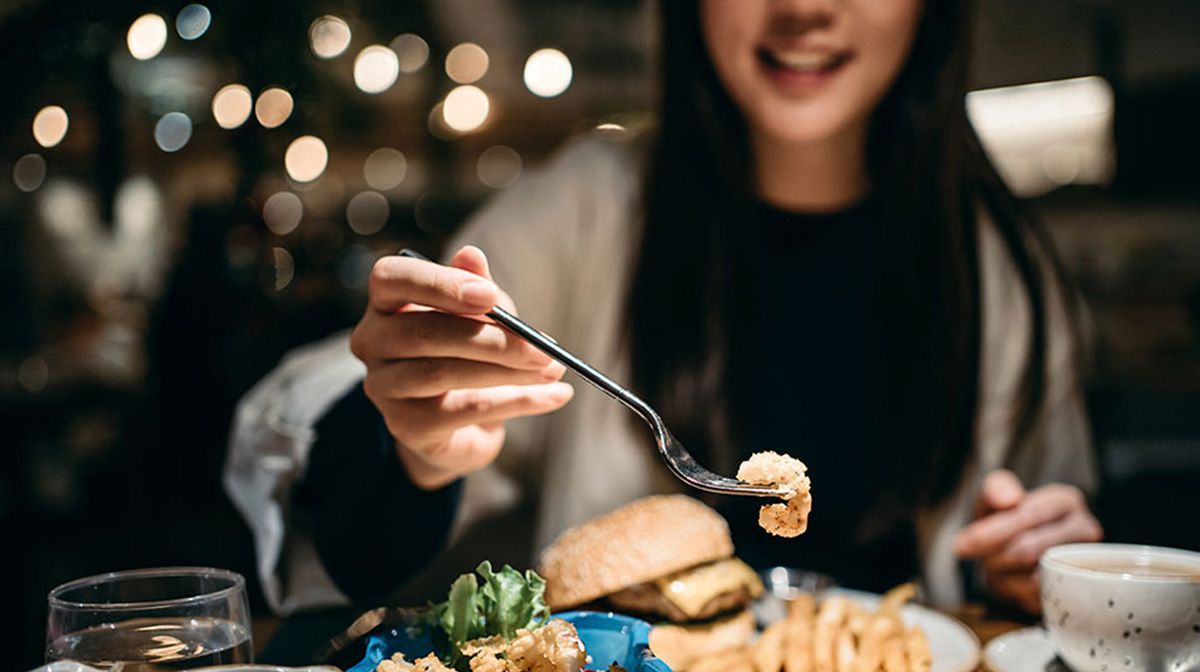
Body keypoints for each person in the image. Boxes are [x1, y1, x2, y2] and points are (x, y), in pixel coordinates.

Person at [225, 0, 1102, 617]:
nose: (803, 7)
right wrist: (410, 447)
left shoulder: (995, 261)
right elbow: (342, 507)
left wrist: (1036, 566)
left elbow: (1038, 552)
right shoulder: (590, 208)